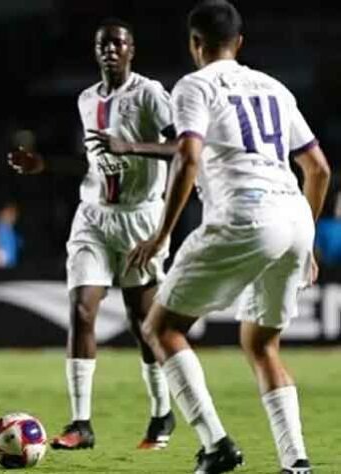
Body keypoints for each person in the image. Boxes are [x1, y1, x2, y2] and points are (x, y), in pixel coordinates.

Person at [127, 1, 329, 473]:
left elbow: (189, 157)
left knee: (161, 327)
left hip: (245, 214)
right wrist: (309, 240)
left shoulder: (194, 86)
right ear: (239, 43)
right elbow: (317, 169)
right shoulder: (274, 87)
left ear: (195, 44)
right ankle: (296, 461)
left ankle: (216, 445)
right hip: (295, 218)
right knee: (262, 344)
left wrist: (161, 235)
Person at [9, 18, 177, 450]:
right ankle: (81, 424)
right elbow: (90, 159)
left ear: (132, 50)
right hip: (94, 217)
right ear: (95, 51)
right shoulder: (87, 100)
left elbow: (186, 148)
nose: (110, 50)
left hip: (141, 217)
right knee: (82, 311)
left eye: (119, 43)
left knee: (145, 325)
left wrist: (132, 147)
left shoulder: (150, 94)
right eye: (103, 44)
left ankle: (162, 414)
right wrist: (41, 165)